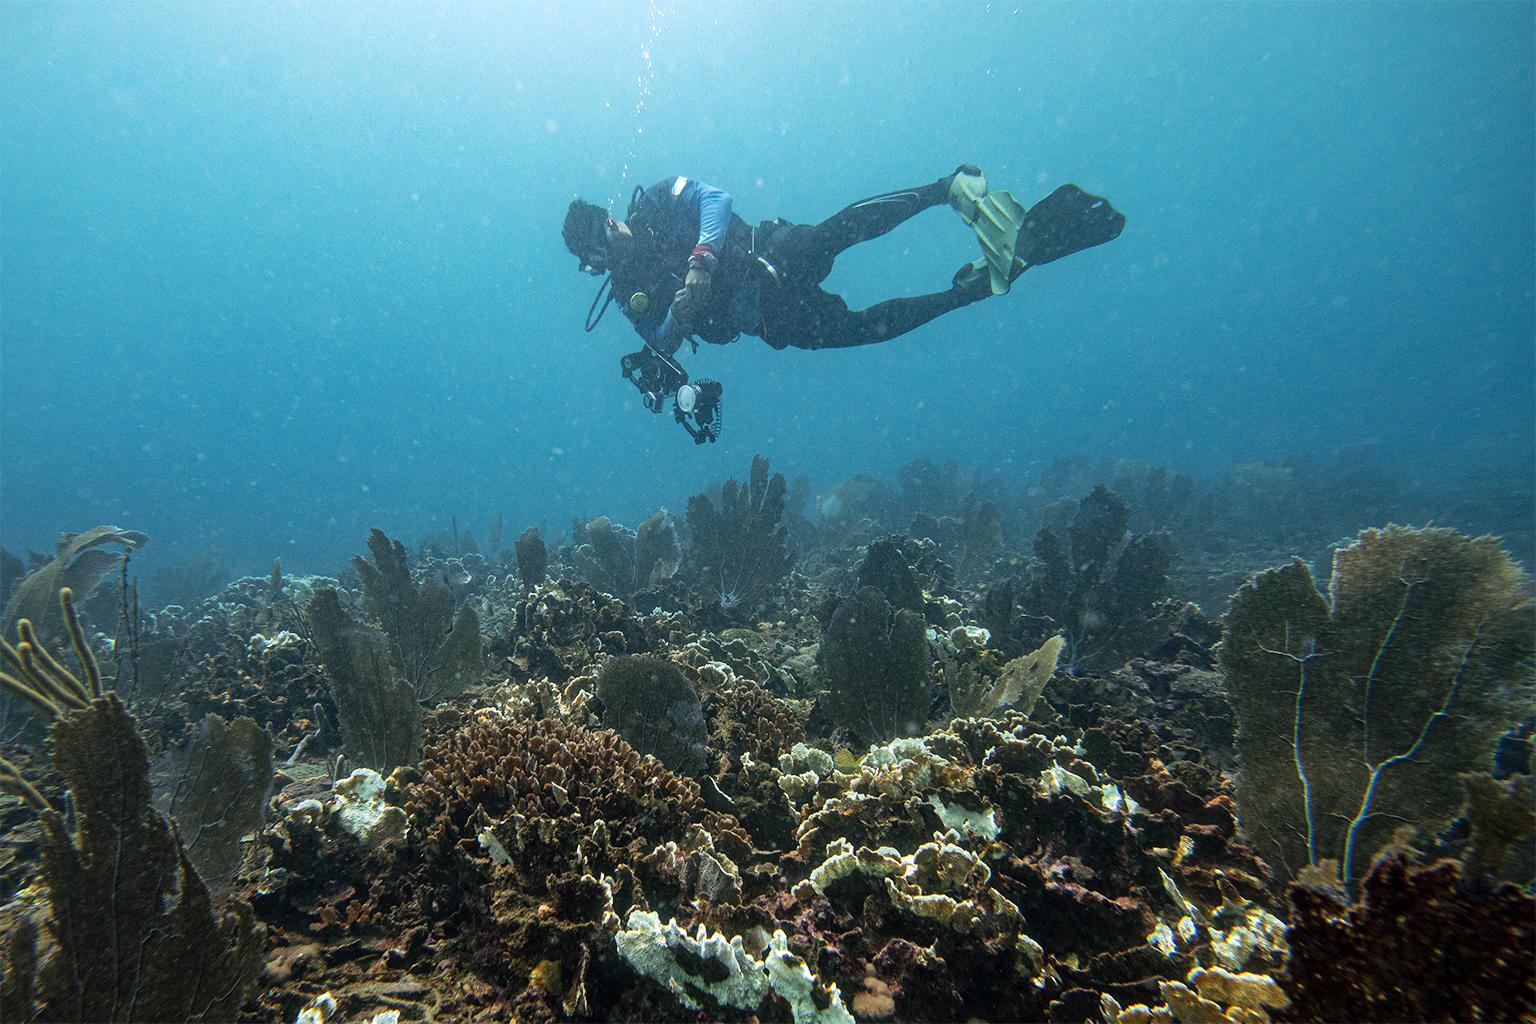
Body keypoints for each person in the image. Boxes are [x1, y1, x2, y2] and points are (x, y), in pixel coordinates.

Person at [562, 167, 1123, 440]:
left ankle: (946, 188)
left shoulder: (659, 202)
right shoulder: (623, 295)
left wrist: (702, 260)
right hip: (768, 319)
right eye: (598, 261)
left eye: (606, 242)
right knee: (863, 330)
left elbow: (718, 200)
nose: (610, 259)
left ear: (612, 219)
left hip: (769, 256)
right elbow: (658, 346)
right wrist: (672, 327)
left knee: (836, 235)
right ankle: (969, 289)